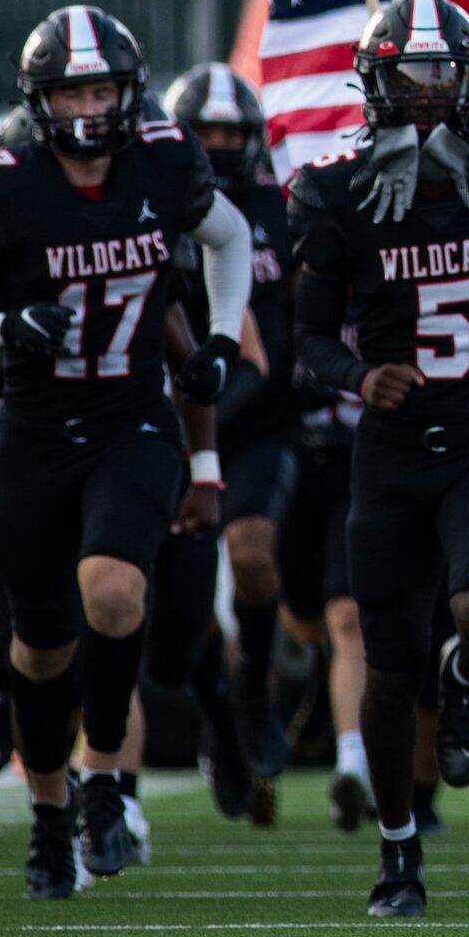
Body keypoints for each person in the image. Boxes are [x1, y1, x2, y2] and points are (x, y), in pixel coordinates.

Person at [0, 6, 250, 899]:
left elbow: (231, 238)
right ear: (40, 99)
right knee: (39, 651)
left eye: (103, 89)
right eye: (72, 91)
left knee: (115, 587)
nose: (91, 108)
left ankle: (102, 780)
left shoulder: (164, 162)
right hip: (31, 435)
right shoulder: (0, 186)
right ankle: (50, 813)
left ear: (130, 92)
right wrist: (3, 323)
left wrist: (215, 337)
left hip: (132, 420)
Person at [286, 0, 469, 919]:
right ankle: (398, 852)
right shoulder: (336, 192)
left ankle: (466, 687)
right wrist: (358, 374)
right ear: (372, 84)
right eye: (406, 76)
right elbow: (307, 336)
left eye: (439, 75)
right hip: (393, 453)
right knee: (387, 664)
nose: (422, 95)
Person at [167, 62, 299, 823]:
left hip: (253, 417)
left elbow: (265, 342)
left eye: (230, 134)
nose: (217, 148)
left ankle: (253, 685)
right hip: (171, 424)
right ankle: (220, 717)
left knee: (251, 556)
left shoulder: (271, 210)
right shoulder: (156, 205)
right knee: (179, 608)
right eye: (204, 134)